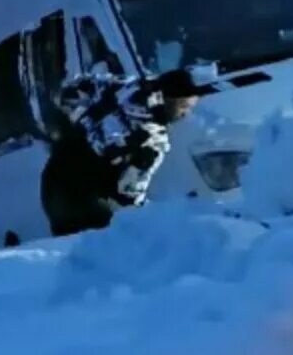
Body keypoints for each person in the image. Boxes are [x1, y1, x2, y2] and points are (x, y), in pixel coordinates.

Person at [40, 67, 209, 236]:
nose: (186, 114)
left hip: (54, 179)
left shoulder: (120, 87)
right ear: (166, 99)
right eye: (183, 106)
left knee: (72, 251)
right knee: (106, 245)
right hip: (82, 200)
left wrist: (73, 124)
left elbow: (70, 91)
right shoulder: (152, 139)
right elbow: (130, 194)